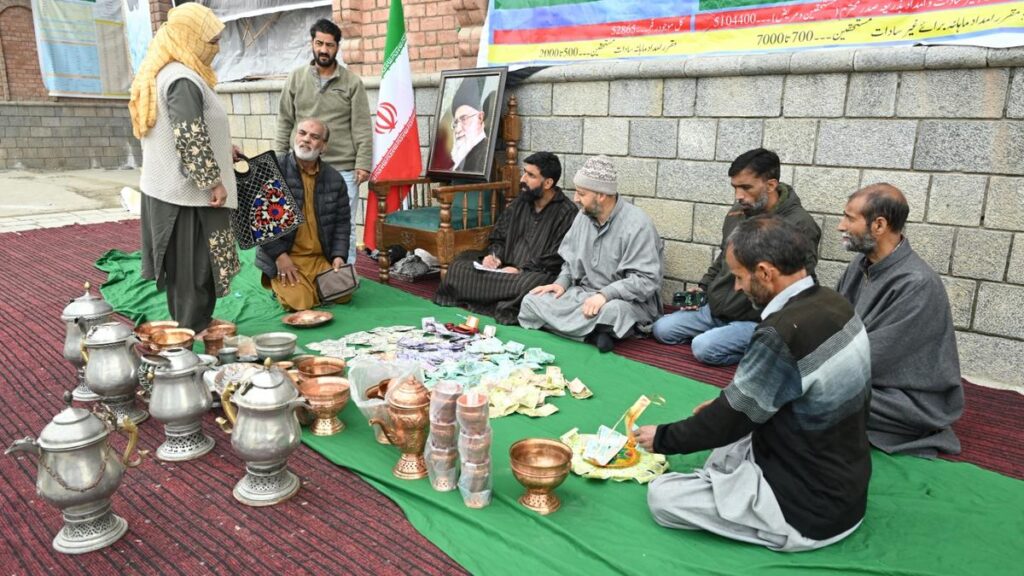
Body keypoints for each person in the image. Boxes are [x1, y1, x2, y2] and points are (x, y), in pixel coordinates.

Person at [637, 215, 872, 552]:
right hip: (847, 488)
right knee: (726, 435)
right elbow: (773, 398)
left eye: (738, 277)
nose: (737, 287)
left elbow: (730, 420)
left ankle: (759, 513)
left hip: (810, 513)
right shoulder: (834, 303)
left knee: (663, 496)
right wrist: (727, 410)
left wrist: (662, 437)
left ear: (764, 272)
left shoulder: (782, 331)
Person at [651, 148, 820, 366]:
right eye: (735, 187)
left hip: (756, 320)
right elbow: (723, 258)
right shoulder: (738, 211)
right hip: (715, 309)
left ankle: (759, 347)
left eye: (746, 187)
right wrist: (703, 289)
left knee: (703, 348)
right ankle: (722, 334)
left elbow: (800, 286)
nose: (738, 195)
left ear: (771, 185)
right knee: (661, 329)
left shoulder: (799, 225)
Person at [129, 3, 240, 333]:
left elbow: (193, 129)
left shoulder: (178, 72)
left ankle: (197, 327)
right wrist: (213, 181)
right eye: (211, 40)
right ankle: (186, 347)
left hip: (181, 194)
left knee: (195, 272)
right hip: (187, 200)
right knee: (193, 274)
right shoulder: (181, 79)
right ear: (189, 38)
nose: (216, 49)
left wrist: (223, 149)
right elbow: (189, 135)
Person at [836, 183, 964, 457]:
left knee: (812, 397)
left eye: (849, 218)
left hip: (907, 400)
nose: (840, 225)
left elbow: (870, 357)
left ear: (879, 225)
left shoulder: (918, 283)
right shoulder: (859, 266)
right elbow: (831, 323)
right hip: (863, 375)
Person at [519, 155, 663, 352]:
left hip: (621, 301)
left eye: (581, 194)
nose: (576, 199)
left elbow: (646, 280)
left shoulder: (638, 224)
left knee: (614, 313)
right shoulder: (583, 217)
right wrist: (561, 284)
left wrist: (605, 295)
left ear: (601, 195)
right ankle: (593, 334)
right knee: (531, 301)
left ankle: (576, 329)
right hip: (583, 295)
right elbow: (569, 264)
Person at [432, 152, 577, 324]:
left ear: (548, 183)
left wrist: (521, 270)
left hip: (534, 273)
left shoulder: (567, 212)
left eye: (531, 175)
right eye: (524, 172)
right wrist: (494, 257)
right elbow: (498, 237)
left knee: (529, 286)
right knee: (458, 266)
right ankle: (497, 296)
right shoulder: (520, 202)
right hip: (504, 268)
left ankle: (494, 299)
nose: (523, 179)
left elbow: (557, 256)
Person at [275, 18, 371, 266]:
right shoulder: (295, 79)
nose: (324, 50)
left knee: (342, 225)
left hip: (342, 167)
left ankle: (344, 277)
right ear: (312, 43)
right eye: (319, 43)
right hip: (299, 166)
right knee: (300, 222)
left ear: (337, 47)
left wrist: (363, 163)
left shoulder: (352, 83)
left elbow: (361, 125)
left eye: (329, 45)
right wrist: (279, 158)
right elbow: (285, 120)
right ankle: (306, 272)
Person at [256, 118, 352, 311]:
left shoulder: (335, 178)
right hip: (287, 257)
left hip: (318, 258)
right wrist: (280, 257)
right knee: (301, 304)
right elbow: (259, 222)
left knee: (344, 293)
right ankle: (283, 285)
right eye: (302, 133)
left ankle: (308, 287)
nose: (306, 139)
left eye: (314, 137)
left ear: (323, 146)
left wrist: (338, 256)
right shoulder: (273, 169)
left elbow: (342, 223)